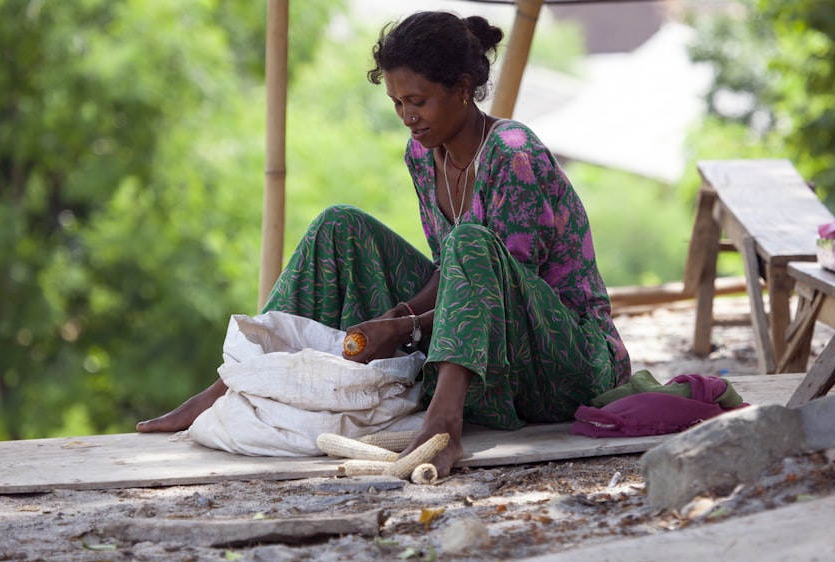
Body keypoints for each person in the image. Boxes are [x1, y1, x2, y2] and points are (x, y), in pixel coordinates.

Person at [137, 11, 631, 477]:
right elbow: (452, 271)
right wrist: (398, 317)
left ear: (462, 90)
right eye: (397, 103)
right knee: (339, 225)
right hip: (489, 343)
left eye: (418, 101)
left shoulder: (512, 154)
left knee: (472, 242)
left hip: (566, 360)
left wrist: (409, 327)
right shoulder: (423, 154)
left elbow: (492, 286)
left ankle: (444, 425)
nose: (407, 117)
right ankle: (232, 382)